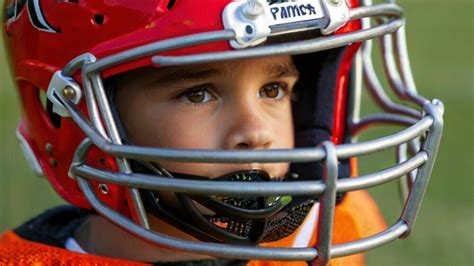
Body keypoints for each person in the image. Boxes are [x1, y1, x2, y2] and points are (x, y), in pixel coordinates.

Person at [0, 0, 444, 265]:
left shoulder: (329, 232)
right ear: (80, 115)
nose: (256, 133)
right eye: (199, 94)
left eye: (274, 89)